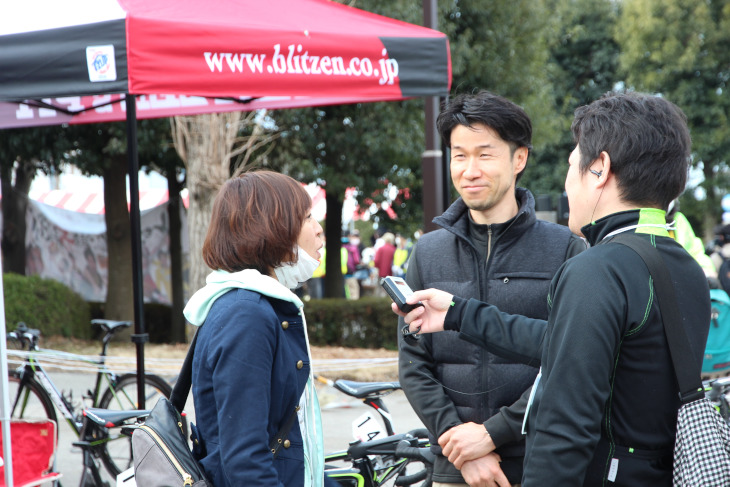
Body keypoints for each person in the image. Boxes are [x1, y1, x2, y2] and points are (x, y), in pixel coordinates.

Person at [395, 92, 711, 486]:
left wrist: (497, 434)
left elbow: (566, 423)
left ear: (599, 169)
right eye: (459, 155)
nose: (566, 182)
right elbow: (574, 346)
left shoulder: (592, 267)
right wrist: (460, 314)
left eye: (571, 165)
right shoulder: (683, 264)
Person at [398, 90, 585, 487]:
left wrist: (491, 434)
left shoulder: (565, 248)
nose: (469, 169)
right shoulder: (427, 252)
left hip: (539, 461)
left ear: (519, 159)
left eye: (485, 154)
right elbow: (414, 365)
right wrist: (461, 448)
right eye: (459, 155)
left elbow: (571, 360)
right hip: (453, 466)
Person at [182, 171, 334, 487]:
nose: (319, 230)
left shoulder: (255, 305)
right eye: (307, 218)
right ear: (273, 229)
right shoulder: (247, 315)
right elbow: (245, 462)